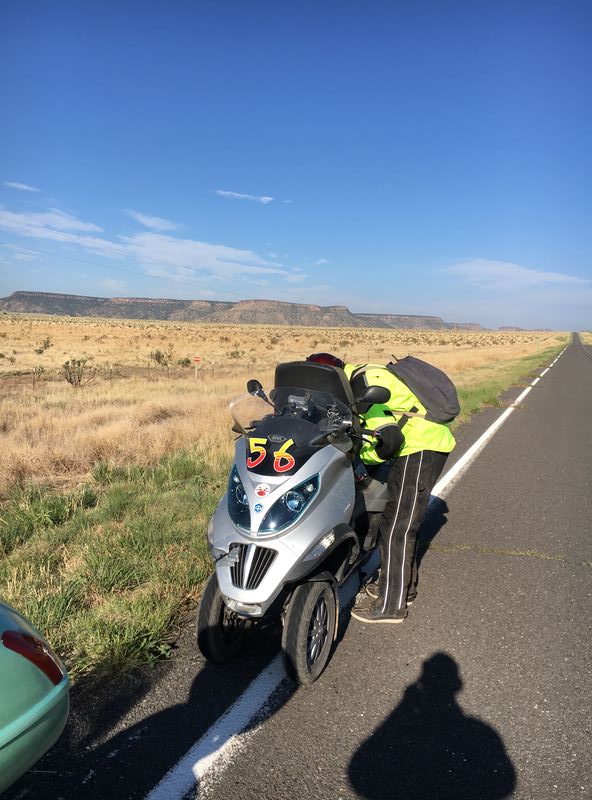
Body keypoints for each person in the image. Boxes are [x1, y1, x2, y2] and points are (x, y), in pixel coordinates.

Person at [307, 352, 456, 624]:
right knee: (399, 522)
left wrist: (361, 462)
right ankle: (403, 589)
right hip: (420, 445)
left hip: (419, 447)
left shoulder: (361, 386)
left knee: (398, 526)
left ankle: (391, 606)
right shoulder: (360, 377)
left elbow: (388, 440)